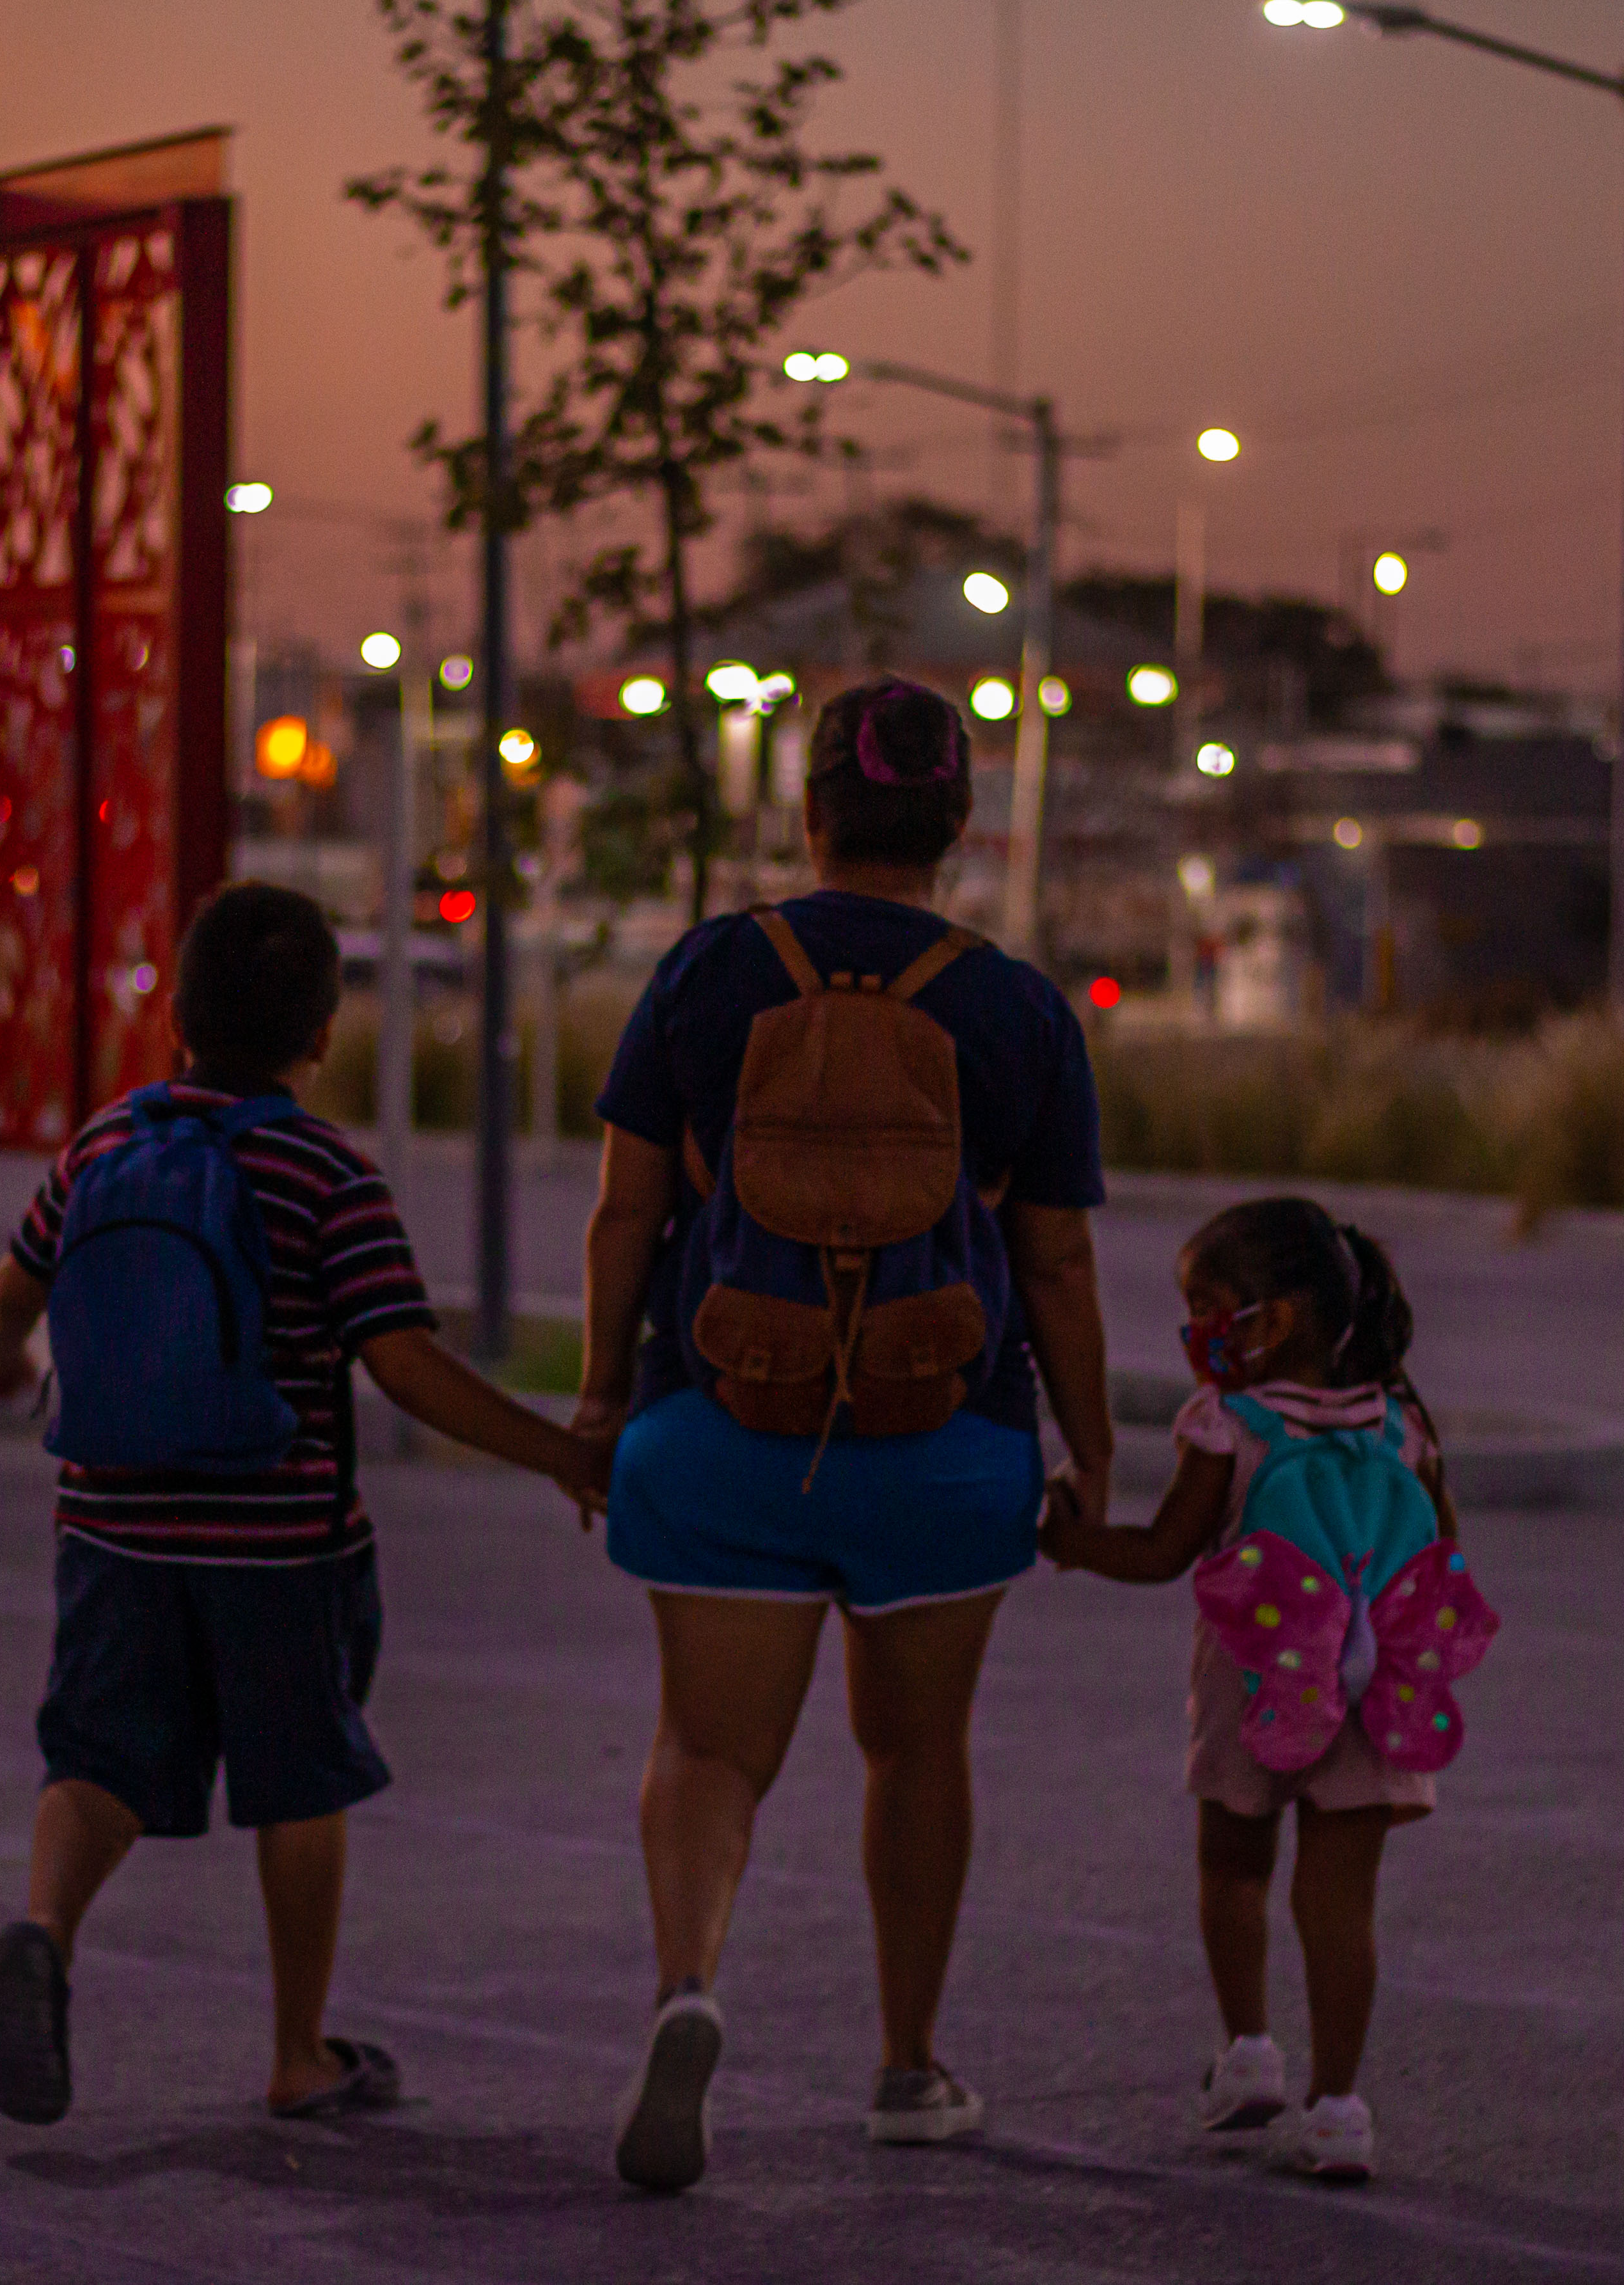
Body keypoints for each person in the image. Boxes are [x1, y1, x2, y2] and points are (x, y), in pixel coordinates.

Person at [571, 676, 1114, 2192]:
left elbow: (624, 1211)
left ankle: (690, 1984)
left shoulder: (708, 971)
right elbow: (1058, 1261)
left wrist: (604, 1395)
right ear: (961, 823)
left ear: (808, 811)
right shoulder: (1017, 1007)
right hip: (945, 1444)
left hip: (723, 1426)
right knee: (917, 1748)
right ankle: (908, 2066)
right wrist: (1091, 1452)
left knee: (707, 1747)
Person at [0, 882, 606, 2126]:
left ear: (178, 1020)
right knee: (299, 1776)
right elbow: (405, 1364)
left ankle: (43, 1931)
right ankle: (298, 2052)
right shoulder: (326, 1174)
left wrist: (2, 1369)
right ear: (321, 1032)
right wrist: (559, 1454)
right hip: (277, 1543)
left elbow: (10, 1290)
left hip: (110, 1526)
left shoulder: (103, 1143)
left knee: (97, 1759)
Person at [1037, 1196, 1464, 2185]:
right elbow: (1439, 1555)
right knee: (1340, 1903)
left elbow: (1162, 1551)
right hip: (1372, 1686)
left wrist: (1071, 1542)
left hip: (1253, 1680)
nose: (1194, 1333)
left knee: (1233, 1867)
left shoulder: (1231, 1426)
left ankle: (1248, 2054)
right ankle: (1339, 2108)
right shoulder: (1401, 1427)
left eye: (1207, 1309)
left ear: (1272, 1318)